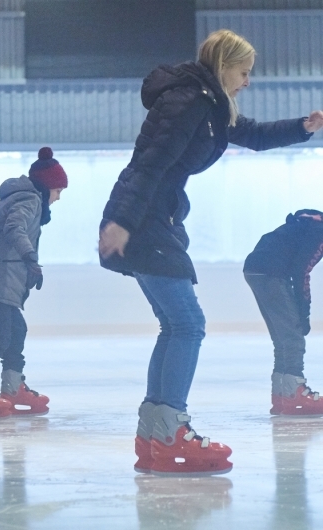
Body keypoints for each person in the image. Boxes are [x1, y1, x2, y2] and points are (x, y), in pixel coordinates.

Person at [98, 29, 323, 476]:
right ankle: (169, 430)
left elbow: (253, 134)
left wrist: (303, 127)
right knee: (188, 324)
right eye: (244, 72)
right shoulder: (189, 102)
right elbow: (149, 162)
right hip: (145, 219)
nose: (247, 82)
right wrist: (122, 220)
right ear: (224, 66)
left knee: (175, 324)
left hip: (155, 216)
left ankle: (155, 432)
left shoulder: (210, 105)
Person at [0, 147, 66, 419]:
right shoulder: (29, 199)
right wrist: (30, 257)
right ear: (46, 187)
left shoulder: (23, 197)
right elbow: (14, 227)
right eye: (58, 191)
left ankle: (13, 387)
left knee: (16, 329)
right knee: (0, 334)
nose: (58, 197)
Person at [244, 210, 323, 415]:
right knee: (293, 336)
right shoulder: (319, 232)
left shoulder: (308, 224)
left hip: (255, 269)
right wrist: (304, 314)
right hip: (271, 272)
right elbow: (301, 272)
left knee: (282, 338)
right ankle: (295, 392)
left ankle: (281, 395)